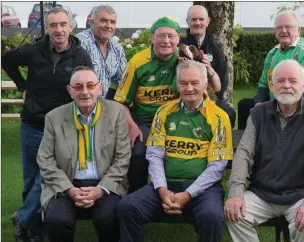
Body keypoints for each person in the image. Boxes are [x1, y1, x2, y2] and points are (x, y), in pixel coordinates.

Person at [2, 7, 92, 242]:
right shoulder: (33, 50)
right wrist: (22, 85)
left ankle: (24, 219)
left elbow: (85, 86)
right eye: (53, 25)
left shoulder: (80, 56)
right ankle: (33, 227)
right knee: (31, 177)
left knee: (47, 177)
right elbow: (6, 60)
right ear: (47, 28)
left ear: (71, 27)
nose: (59, 30)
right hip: (32, 123)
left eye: (63, 24)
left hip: (62, 127)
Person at [118, 60, 234, 242]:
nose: (189, 88)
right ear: (177, 85)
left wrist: (188, 194)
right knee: (127, 207)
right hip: (167, 185)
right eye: (183, 83)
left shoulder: (219, 117)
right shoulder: (164, 111)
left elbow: (217, 167)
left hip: (203, 189)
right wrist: (162, 189)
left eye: (195, 83)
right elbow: (154, 155)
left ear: (204, 84)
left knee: (211, 217)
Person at [225, 59, 304, 242]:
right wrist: (235, 192)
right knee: (234, 214)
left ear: (303, 85)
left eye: (292, 81)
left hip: (300, 195)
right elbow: (243, 153)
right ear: (272, 85)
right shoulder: (258, 114)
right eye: (280, 81)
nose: (286, 85)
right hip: (262, 193)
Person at [37, 66, 131, 242]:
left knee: (108, 217)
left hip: (106, 183)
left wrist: (101, 189)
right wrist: (69, 189)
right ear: (69, 91)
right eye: (78, 87)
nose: (85, 92)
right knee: (57, 220)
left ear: (99, 87)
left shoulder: (116, 112)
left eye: (90, 85)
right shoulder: (54, 117)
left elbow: (123, 157)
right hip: (66, 184)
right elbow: (45, 159)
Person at [114, 16, 181, 193]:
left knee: (182, 152)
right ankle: (137, 196)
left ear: (178, 39)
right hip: (143, 119)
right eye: (161, 36)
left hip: (174, 117)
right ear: (152, 38)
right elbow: (121, 102)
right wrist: (132, 126)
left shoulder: (183, 59)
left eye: (171, 36)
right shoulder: (137, 62)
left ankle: (177, 194)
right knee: (137, 153)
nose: (166, 41)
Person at [237, 11, 304, 130]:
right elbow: (263, 84)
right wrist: (259, 103)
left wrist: (276, 109)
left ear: (298, 30)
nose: (283, 31)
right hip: (278, 103)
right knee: (245, 106)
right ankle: (247, 146)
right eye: (279, 27)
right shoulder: (272, 54)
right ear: (274, 32)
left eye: (288, 27)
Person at [181, 4, 236, 128]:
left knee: (228, 113)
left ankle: (224, 145)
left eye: (201, 19)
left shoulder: (216, 47)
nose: (198, 23)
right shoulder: (181, 46)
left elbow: (223, 82)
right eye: (194, 19)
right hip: (186, 97)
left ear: (208, 21)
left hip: (212, 96)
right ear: (187, 22)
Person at [76, 5, 127, 99]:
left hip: (103, 104)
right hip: (80, 101)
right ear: (92, 22)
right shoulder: (81, 42)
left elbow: (123, 81)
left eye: (112, 22)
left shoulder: (117, 48)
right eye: (103, 21)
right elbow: (75, 81)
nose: (108, 26)